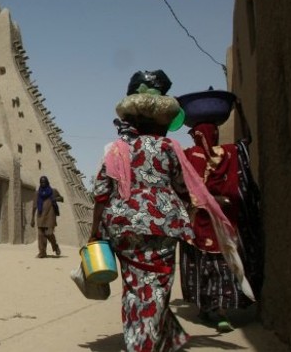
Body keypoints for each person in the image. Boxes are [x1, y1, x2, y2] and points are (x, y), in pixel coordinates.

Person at [87, 70, 249, 352]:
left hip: (123, 227)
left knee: (135, 286)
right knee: (157, 287)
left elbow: (101, 193)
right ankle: (145, 343)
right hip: (163, 226)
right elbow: (185, 188)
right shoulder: (169, 148)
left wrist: (94, 233)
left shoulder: (116, 149)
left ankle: (145, 339)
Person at [178, 99, 264, 332]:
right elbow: (247, 140)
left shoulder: (188, 157)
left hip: (200, 224)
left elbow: (180, 185)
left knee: (204, 266)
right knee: (222, 265)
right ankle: (216, 310)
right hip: (224, 222)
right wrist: (241, 110)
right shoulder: (228, 153)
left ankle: (216, 310)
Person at [30, 176, 63, 258]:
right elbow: (34, 206)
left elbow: (61, 198)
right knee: (41, 236)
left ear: (47, 182)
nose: (43, 183)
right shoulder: (37, 193)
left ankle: (55, 246)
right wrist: (32, 219)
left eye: (44, 182)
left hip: (50, 216)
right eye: (41, 182)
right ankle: (42, 252)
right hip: (40, 216)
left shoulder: (53, 191)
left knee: (49, 233)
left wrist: (55, 199)